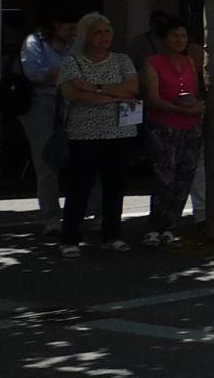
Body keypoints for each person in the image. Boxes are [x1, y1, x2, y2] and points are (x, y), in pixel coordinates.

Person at [56, 13, 141, 255]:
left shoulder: (122, 60)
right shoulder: (73, 62)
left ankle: (111, 234)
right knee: (80, 186)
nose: (104, 37)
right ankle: (70, 238)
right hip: (84, 134)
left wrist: (97, 88)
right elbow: (74, 95)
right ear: (87, 36)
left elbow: (132, 88)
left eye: (107, 32)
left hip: (119, 131)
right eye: (98, 32)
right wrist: (115, 95)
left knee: (115, 185)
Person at [139, 18, 205, 245]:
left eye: (183, 36)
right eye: (174, 35)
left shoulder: (190, 62)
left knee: (184, 177)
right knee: (163, 177)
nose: (179, 40)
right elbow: (152, 98)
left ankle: (171, 225)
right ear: (165, 39)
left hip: (190, 127)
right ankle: (154, 227)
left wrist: (195, 106)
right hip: (163, 125)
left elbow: (195, 91)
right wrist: (179, 109)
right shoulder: (153, 62)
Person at [18, 14, 75, 234]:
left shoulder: (76, 44)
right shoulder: (35, 42)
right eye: (69, 26)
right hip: (41, 104)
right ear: (55, 24)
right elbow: (34, 73)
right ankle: (51, 216)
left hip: (70, 103)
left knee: (81, 157)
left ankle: (91, 210)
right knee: (46, 163)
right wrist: (64, 73)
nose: (73, 32)